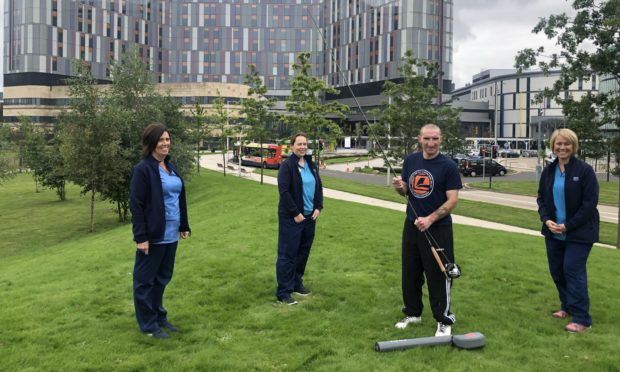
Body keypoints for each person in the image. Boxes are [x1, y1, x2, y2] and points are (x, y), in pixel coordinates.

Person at [391, 124, 462, 337]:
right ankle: (412, 313)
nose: (431, 143)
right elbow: (406, 192)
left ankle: (443, 319)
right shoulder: (411, 160)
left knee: (439, 274)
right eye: (427, 139)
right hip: (412, 225)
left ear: (441, 139)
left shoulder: (448, 166)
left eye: (435, 139)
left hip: (438, 228)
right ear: (419, 139)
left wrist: (430, 219)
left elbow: (453, 200)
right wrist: (398, 187)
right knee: (410, 272)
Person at [130, 123, 191, 339]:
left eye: (167, 139)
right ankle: (148, 325)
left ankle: (159, 316)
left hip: (171, 234)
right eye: (161, 140)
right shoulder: (143, 169)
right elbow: (136, 205)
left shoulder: (170, 167)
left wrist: (183, 225)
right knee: (145, 281)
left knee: (162, 278)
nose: (165, 143)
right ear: (151, 143)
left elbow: (179, 198)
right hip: (153, 237)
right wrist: (141, 237)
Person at [536, 128, 599, 333]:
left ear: (573, 146)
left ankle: (582, 319)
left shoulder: (584, 171)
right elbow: (542, 199)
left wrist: (568, 225)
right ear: (553, 146)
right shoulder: (549, 170)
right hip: (553, 232)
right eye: (558, 144)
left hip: (579, 232)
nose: (562, 147)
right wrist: (546, 220)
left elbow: (589, 204)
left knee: (572, 270)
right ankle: (567, 307)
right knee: (557, 271)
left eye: (567, 144)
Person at [276, 133, 323, 305]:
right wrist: (296, 213)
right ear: (292, 145)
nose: (302, 147)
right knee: (287, 255)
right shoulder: (287, 166)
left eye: (305, 144)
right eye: (299, 144)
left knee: (303, 252)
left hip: (310, 217)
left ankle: (296, 283)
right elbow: (284, 192)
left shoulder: (311, 164)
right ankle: (283, 292)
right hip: (292, 218)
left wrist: (319, 207)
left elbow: (319, 186)